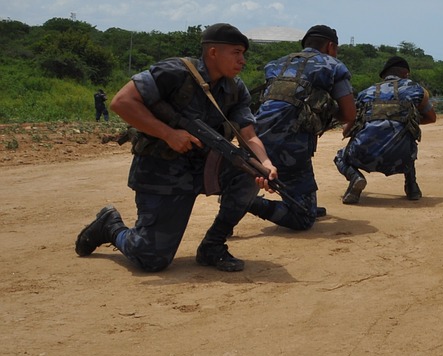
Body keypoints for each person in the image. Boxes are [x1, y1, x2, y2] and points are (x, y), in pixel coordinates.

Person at [73, 23, 277, 273]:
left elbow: (248, 134)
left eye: (243, 54)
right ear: (213, 52)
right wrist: (168, 134)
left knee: (247, 172)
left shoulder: (235, 89)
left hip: (202, 167)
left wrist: (264, 164)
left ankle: (213, 246)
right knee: (150, 259)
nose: (242, 60)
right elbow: (122, 102)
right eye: (236, 53)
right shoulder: (174, 72)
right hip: (162, 169)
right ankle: (110, 226)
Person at [244, 25, 356, 230]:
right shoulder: (333, 65)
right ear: (331, 46)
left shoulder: (276, 65)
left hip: (254, 138)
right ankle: (246, 202)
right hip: (291, 145)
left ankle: (238, 200)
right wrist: (326, 116)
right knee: (304, 219)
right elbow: (349, 114)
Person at [334, 56, 436, 203]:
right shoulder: (417, 90)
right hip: (400, 158)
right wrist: (407, 121)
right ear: (406, 73)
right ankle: (412, 188)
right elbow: (431, 118)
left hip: (364, 156)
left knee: (340, 157)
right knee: (406, 140)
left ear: (384, 76)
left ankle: (355, 177)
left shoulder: (365, 93)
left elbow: (346, 131)